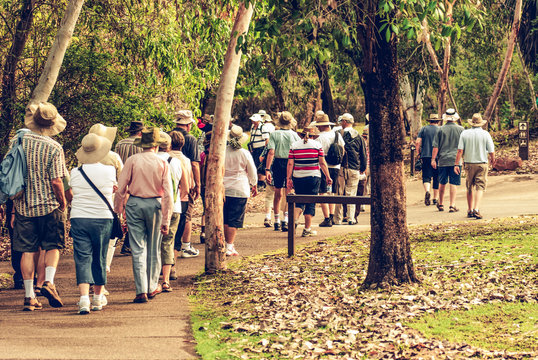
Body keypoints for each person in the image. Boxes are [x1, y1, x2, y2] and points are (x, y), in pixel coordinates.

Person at [12, 102, 68, 311]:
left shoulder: (17, 142)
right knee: (52, 245)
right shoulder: (54, 147)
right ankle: (48, 283)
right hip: (48, 206)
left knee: (27, 251)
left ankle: (29, 297)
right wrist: (62, 202)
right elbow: (56, 181)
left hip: (23, 206)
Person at [115, 127, 173, 303]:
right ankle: (151, 285)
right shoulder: (162, 163)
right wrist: (166, 219)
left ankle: (140, 289)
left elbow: (121, 187)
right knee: (154, 246)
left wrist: (118, 210)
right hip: (155, 204)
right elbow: (168, 193)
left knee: (138, 247)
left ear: (143, 145)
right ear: (156, 145)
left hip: (134, 203)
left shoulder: (132, 160)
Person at [70, 133, 116, 314]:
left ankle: (83, 299)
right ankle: (97, 298)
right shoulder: (109, 170)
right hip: (103, 217)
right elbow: (113, 188)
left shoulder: (75, 172)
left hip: (79, 217)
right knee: (100, 256)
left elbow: (73, 191)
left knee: (82, 258)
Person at [88, 124, 123, 280]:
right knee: (110, 239)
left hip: (88, 203)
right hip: (109, 203)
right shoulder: (113, 157)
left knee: (90, 240)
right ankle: (103, 270)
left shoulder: (83, 157)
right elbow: (122, 182)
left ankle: (91, 271)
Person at [287, 125, 332, 237]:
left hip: (298, 177)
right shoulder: (317, 145)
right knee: (310, 202)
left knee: (299, 200)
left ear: (302, 135)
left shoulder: (294, 146)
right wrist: (327, 176)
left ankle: (295, 221)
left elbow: (290, 163)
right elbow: (322, 163)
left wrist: (289, 178)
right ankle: (307, 229)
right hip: (313, 177)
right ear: (313, 135)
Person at [223, 125, 258, 256]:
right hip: (240, 188)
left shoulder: (223, 152)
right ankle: (229, 245)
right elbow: (252, 171)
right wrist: (253, 184)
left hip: (224, 187)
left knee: (226, 218)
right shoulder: (244, 153)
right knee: (235, 219)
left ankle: (227, 244)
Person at [454, 113, 495, 219]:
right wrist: (493, 160)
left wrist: (456, 164)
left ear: (471, 123)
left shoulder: (465, 133)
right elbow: (491, 151)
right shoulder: (485, 134)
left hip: (468, 163)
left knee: (469, 186)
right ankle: (476, 209)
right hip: (482, 163)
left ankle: (469, 209)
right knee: (480, 186)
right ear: (481, 123)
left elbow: (460, 150)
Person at [156, 132, 182, 292]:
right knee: (168, 242)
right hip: (174, 205)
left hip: (155, 205)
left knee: (153, 242)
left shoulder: (151, 160)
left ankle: (152, 279)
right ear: (169, 146)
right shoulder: (176, 162)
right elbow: (181, 184)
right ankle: (165, 280)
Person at [265, 112, 301, 231]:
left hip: (278, 163)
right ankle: (285, 220)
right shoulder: (294, 135)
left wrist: (267, 169)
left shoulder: (274, 134)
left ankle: (276, 220)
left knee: (277, 193)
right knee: (288, 192)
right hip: (290, 163)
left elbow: (271, 152)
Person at [172, 110, 200, 255]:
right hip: (186, 181)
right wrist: (197, 184)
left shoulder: (169, 136)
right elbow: (195, 163)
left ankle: (172, 244)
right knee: (186, 213)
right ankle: (185, 245)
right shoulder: (191, 139)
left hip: (169, 179)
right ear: (188, 125)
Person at [114, 120, 144, 255]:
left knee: (120, 212)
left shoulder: (120, 144)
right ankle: (127, 243)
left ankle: (115, 241)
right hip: (136, 182)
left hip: (120, 179)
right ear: (140, 132)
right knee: (133, 215)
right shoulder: (141, 145)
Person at [168, 131, 194, 275]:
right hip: (181, 200)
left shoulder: (163, 158)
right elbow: (188, 184)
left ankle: (163, 263)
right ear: (182, 144)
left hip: (163, 199)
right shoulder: (185, 160)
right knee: (177, 233)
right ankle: (172, 266)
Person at [333, 113, 367, 225]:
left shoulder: (338, 135)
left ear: (344, 122)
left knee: (339, 193)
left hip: (341, 168)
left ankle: (337, 219)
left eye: (341, 121)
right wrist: (362, 167)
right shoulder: (359, 136)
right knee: (351, 194)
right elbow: (363, 154)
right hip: (354, 169)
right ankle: (351, 218)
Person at [312, 111, 345, 227]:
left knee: (322, 192)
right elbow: (343, 149)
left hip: (322, 167)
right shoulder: (337, 135)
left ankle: (327, 218)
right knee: (331, 192)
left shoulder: (318, 138)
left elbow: (315, 153)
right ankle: (331, 215)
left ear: (321, 125)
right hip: (335, 167)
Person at [431, 108, 464, 212]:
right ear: (455, 118)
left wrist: (433, 159)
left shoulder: (440, 129)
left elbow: (435, 147)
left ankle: (440, 204)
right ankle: (452, 205)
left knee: (442, 182)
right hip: (456, 161)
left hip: (443, 160)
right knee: (453, 183)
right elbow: (463, 147)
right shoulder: (461, 130)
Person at [416, 114, 441, 206]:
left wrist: (418, 153)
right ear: (438, 121)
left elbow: (417, 142)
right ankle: (435, 198)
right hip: (438, 156)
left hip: (425, 155)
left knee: (426, 175)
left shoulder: (424, 129)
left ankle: (427, 191)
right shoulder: (440, 129)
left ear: (429, 121)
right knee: (436, 176)